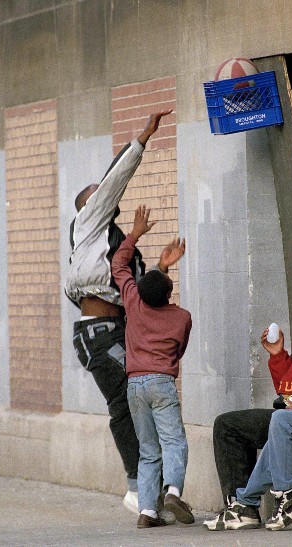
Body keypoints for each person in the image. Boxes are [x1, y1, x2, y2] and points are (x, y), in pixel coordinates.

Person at [64, 110, 173, 515]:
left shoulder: (122, 246)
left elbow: (140, 296)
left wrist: (162, 267)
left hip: (116, 329)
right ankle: (137, 487)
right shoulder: (86, 224)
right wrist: (142, 139)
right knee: (126, 402)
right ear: (86, 208)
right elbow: (112, 183)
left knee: (139, 399)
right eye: (97, 194)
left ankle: (154, 490)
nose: (106, 196)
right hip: (98, 332)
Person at [210, 281, 292, 510]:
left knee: (228, 427)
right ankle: (241, 504)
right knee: (236, 424)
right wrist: (278, 355)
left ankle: (241, 507)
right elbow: (286, 392)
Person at [112, 204, 193, 529]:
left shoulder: (133, 302)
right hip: (161, 381)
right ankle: (173, 491)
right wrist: (163, 268)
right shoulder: (181, 317)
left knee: (148, 449)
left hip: (134, 385)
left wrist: (134, 234)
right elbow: (179, 350)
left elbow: (119, 264)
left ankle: (148, 511)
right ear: (169, 291)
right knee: (173, 440)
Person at [204, 364, 292, 531]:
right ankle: (245, 505)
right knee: (279, 435)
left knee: (280, 419)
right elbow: (289, 381)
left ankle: (288, 492)